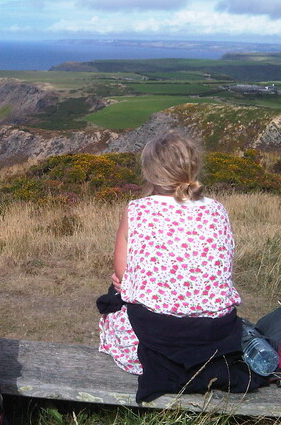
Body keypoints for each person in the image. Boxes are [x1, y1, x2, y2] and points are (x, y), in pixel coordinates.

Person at [98, 129, 266, 402]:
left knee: (113, 297)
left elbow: (121, 273)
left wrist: (125, 281)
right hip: (216, 340)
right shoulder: (216, 209)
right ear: (193, 168)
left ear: (149, 172)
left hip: (153, 342)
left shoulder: (138, 209)